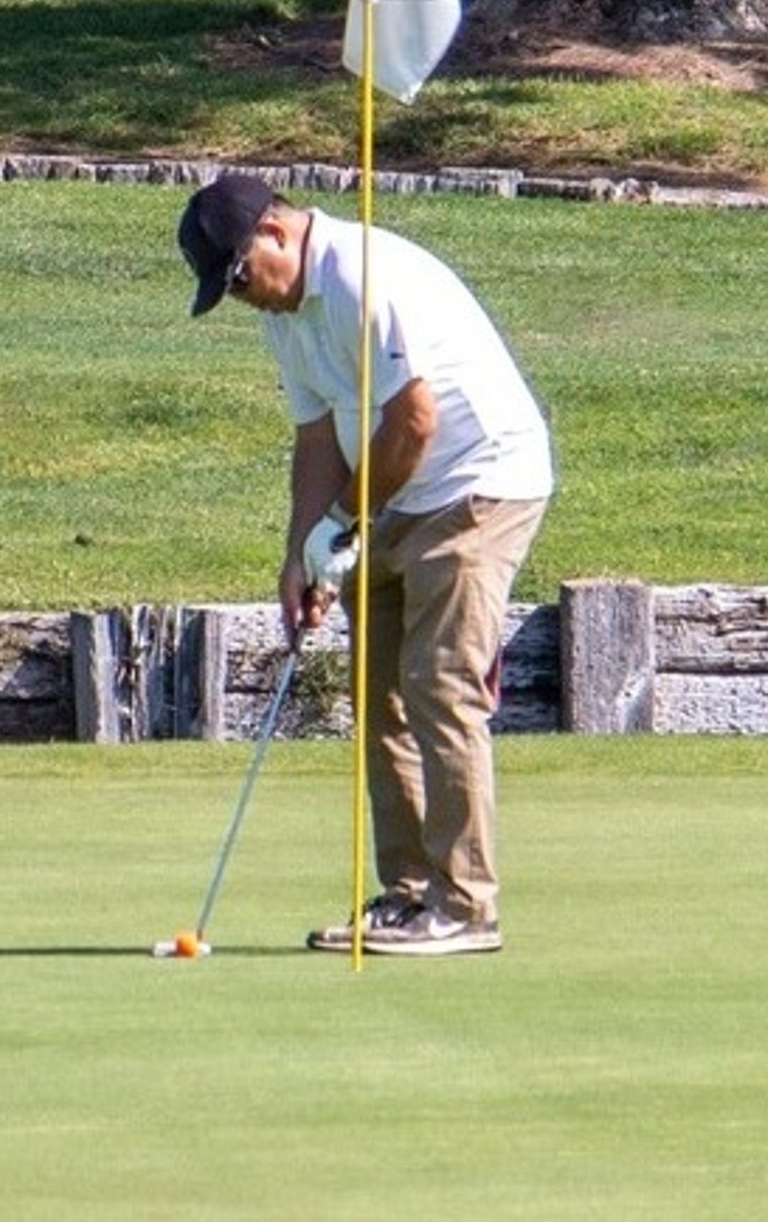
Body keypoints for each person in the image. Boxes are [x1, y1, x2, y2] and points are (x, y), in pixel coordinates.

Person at [177, 172, 554, 958]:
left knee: (438, 683)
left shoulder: (357, 274)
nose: (242, 294)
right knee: (376, 691)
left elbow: (415, 419)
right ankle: (411, 893)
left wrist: (344, 522)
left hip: (476, 481)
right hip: (386, 495)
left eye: (240, 275)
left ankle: (467, 906)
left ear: (276, 234)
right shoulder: (284, 316)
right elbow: (317, 437)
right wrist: (301, 551)